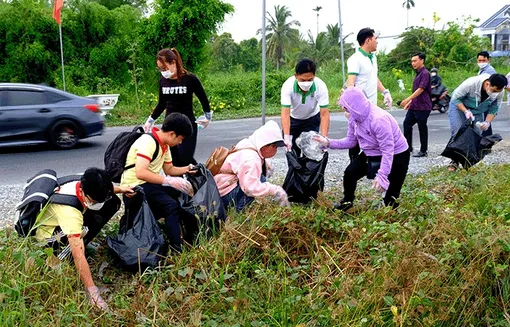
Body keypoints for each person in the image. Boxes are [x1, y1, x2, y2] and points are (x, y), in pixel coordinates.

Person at [35, 167, 134, 310]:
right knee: (81, 234)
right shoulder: (70, 212)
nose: (97, 203)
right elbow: (79, 255)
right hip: (47, 236)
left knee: (111, 203)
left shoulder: (85, 180)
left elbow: (106, 189)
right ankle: (55, 259)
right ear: (84, 192)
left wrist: (122, 189)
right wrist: (93, 292)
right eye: (94, 200)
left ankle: (82, 239)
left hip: (61, 220)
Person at [314, 87, 410, 211]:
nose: (345, 111)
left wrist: (382, 175)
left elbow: (387, 150)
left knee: (390, 200)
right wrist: (327, 142)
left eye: (346, 108)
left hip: (397, 154)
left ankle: (391, 215)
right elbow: (350, 141)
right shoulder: (354, 117)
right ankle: (347, 202)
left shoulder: (378, 119)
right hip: (371, 151)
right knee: (350, 173)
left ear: (354, 106)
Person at [122, 112, 196, 252]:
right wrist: (168, 181)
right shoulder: (148, 142)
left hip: (149, 184)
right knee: (171, 206)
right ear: (172, 134)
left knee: (182, 194)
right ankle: (177, 249)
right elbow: (141, 172)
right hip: (135, 187)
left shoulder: (164, 145)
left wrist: (187, 169)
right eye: (181, 139)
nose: (180, 143)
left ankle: (188, 235)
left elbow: (169, 169)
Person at [143, 48, 212, 166]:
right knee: (172, 161)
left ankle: (199, 176)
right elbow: (162, 104)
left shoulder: (190, 79)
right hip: (169, 125)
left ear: (173, 63)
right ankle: (179, 182)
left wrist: (208, 116)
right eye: (160, 69)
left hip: (187, 124)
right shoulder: (163, 81)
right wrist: (150, 120)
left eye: (164, 68)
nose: (163, 72)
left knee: (185, 158)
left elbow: (203, 98)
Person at [214, 120, 289, 212]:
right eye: (274, 147)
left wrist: (265, 162)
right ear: (265, 145)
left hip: (220, 185)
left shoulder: (248, 143)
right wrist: (275, 190)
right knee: (256, 186)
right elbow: (250, 188)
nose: (275, 150)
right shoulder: (251, 159)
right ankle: (239, 212)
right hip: (223, 193)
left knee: (261, 179)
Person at [346, 27, 393, 161]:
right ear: (368, 40)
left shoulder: (373, 58)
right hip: (359, 107)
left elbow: (373, 77)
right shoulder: (355, 59)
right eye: (375, 39)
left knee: (372, 135)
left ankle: (371, 164)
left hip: (372, 106)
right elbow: (351, 83)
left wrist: (385, 91)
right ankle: (354, 164)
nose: (377, 42)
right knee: (355, 136)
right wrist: (351, 106)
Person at [447, 73, 507, 171]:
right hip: (459, 106)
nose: (495, 93)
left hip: (478, 110)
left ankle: (467, 161)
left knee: (477, 133)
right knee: (458, 131)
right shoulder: (470, 84)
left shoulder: (499, 91)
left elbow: (494, 108)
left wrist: (487, 122)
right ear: (488, 84)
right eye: (494, 90)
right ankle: (454, 161)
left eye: (498, 91)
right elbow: (456, 99)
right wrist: (466, 111)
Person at [281, 58, 330, 156]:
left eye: (310, 79)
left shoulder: (320, 86)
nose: (306, 83)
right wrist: (286, 137)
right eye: (303, 80)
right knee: (293, 151)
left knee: (311, 150)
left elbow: (324, 114)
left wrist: (324, 138)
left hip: (311, 119)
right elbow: (285, 114)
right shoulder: (288, 86)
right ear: (296, 76)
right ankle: (295, 171)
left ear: (314, 76)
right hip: (293, 119)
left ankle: (309, 171)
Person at [400, 52, 432, 158]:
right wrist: (410, 103)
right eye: (412, 61)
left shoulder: (425, 73)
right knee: (407, 124)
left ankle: (423, 150)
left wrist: (407, 99)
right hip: (415, 105)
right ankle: (408, 147)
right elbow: (416, 91)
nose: (413, 63)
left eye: (415, 61)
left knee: (422, 127)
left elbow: (421, 89)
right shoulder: (418, 73)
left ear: (422, 60)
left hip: (423, 107)